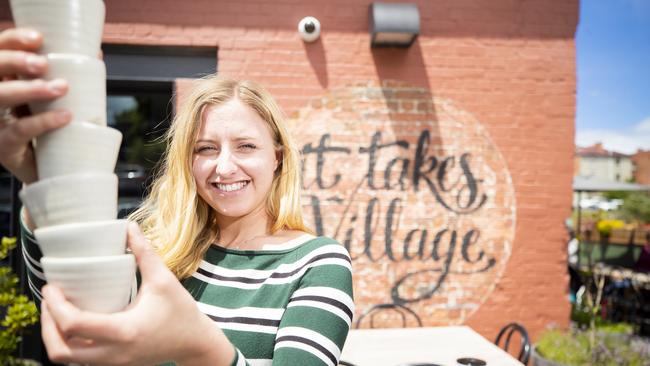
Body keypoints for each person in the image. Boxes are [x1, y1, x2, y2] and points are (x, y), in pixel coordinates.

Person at [0, 27, 354, 366]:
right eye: (206, 148)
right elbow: (72, 309)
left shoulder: (317, 263)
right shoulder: (153, 250)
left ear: (276, 157)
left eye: (246, 146)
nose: (224, 167)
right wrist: (41, 174)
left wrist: (198, 344)